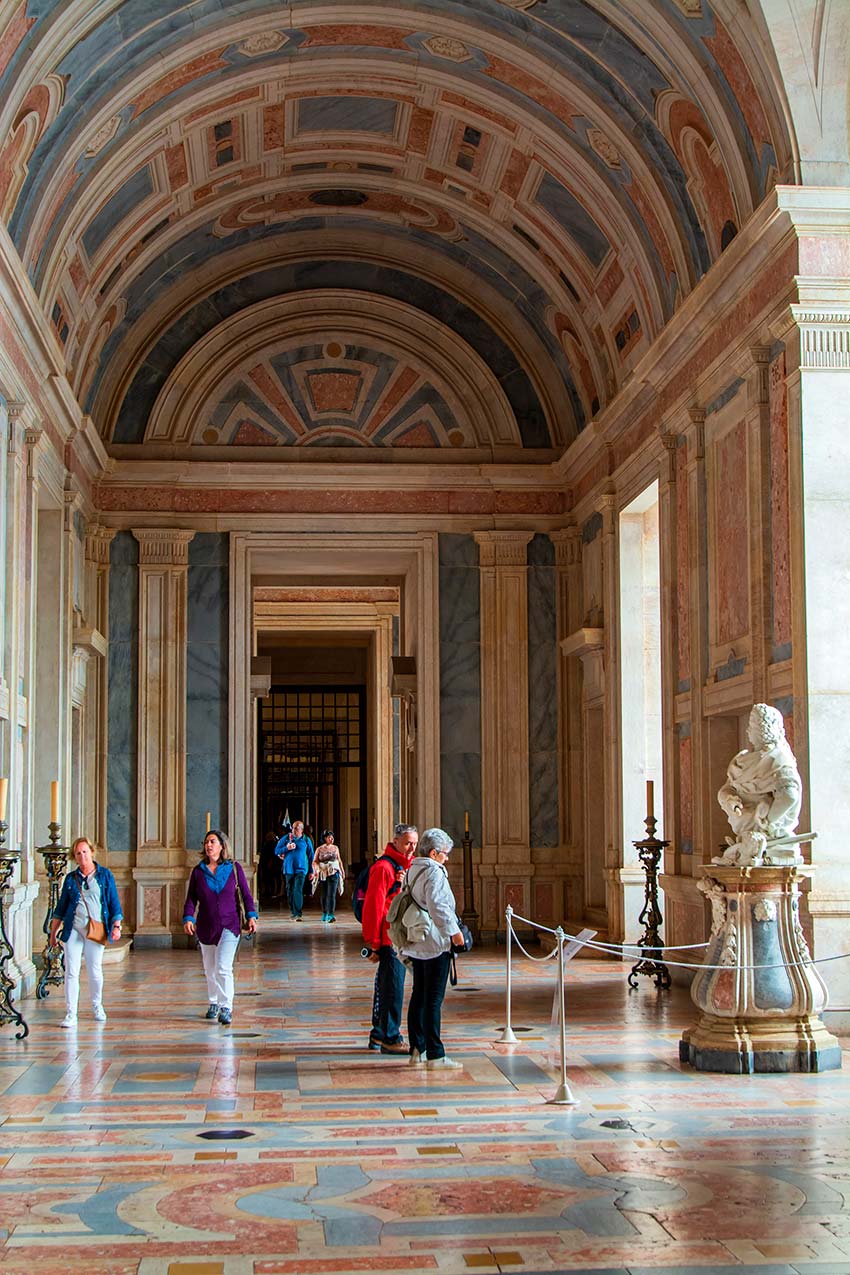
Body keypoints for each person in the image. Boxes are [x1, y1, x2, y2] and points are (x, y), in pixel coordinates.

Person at [401, 827, 466, 1069]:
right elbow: (439, 907)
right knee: (433, 999)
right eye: (445, 853)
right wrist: (455, 934)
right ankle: (436, 1055)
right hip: (435, 943)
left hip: (418, 941)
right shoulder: (434, 873)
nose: (447, 858)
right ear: (434, 852)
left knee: (419, 995)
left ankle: (418, 1049)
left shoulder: (413, 869)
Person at [183, 829, 258, 1025]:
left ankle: (226, 1007)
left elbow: (246, 894)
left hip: (229, 925)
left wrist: (251, 916)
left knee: (223, 968)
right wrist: (188, 917)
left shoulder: (234, 868)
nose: (208, 845)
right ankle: (213, 1002)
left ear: (222, 846)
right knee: (209, 969)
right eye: (206, 842)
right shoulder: (198, 872)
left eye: (212, 842)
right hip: (206, 926)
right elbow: (191, 897)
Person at [49, 836, 123, 1028]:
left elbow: (114, 903)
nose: (82, 856)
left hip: (95, 929)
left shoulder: (105, 875)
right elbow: (61, 907)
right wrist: (53, 933)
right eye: (78, 853)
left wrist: (116, 926)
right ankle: (71, 1013)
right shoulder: (71, 879)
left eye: (84, 851)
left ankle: (97, 1005)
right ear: (74, 857)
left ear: (91, 852)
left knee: (94, 970)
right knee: (71, 971)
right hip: (73, 928)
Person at [361, 822, 418, 1054]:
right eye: (407, 843)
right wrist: (372, 943)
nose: (411, 848)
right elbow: (373, 907)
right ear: (396, 842)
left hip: (400, 936)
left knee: (386, 985)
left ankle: (379, 1034)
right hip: (388, 938)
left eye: (414, 843)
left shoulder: (409, 866)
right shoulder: (384, 868)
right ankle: (390, 1037)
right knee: (392, 987)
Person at [275, 819, 313, 920]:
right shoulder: (286, 838)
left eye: (296, 828)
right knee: (290, 890)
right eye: (293, 828)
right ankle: (293, 910)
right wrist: (287, 848)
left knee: (298, 889)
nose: (293, 830)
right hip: (289, 869)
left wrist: (311, 871)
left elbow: (311, 856)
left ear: (302, 830)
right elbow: (276, 850)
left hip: (301, 869)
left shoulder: (306, 840)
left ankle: (298, 913)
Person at [314, 828, 345, 922]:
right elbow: (315, 861)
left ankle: (331, 914)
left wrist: (342, 871)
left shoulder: (335, 848)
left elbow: (339, 860)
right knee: (324, 894)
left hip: (334, 872)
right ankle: (324, 912)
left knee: (332, 894)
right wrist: (316, 870)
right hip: (323, 873)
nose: (331, 839)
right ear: (324, 838)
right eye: (329, 837)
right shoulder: (319, 849)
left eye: (332, 837)